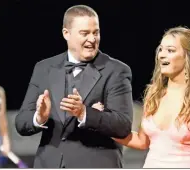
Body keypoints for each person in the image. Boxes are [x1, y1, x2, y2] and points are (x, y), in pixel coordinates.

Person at [14, 5, 133, 168]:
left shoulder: (117, 71)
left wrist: (84, 113)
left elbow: (123, 126)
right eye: (85, 33)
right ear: (66, 34)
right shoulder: (44, 68)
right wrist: (39, 117)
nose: (92, 39)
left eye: (96, 32)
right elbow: (21, 122)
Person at [93, 26, 190, 168]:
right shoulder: (154, 94)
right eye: (160, 49)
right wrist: (103, 122)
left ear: (188, 56)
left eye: (170, 50)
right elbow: (142, 142)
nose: (161, 55)